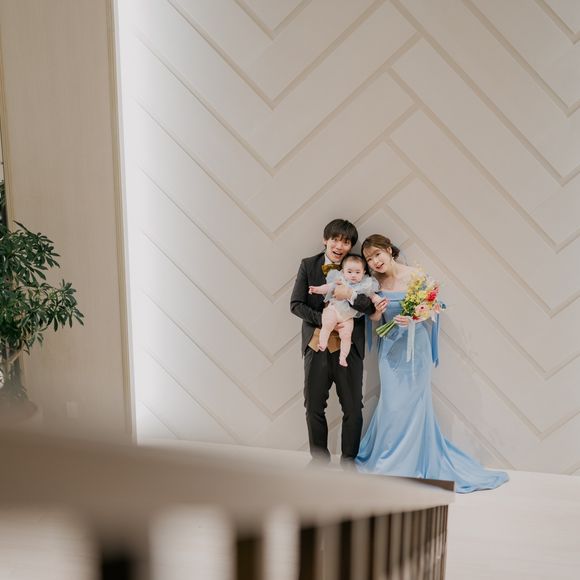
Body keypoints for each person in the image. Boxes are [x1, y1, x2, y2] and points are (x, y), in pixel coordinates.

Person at [354, 234, 508, 493]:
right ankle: (389, 460)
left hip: (417, 350)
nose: (374, 262)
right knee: (392, 405)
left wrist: (413, 318)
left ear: (389, 250)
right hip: (390, 349)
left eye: (377, 254)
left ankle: (411, 463)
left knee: (415, 406)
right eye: (369, 259)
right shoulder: (373, 283)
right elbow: (374, 320)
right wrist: (377, 310)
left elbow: (433, 310)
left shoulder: (416, 276)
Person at [290, 220, 386, 466]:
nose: (339, 246)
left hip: (349, 346)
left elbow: (369, 307)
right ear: (326, 240)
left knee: (353, 407)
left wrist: (350, 295)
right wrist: (324, 320)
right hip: (316, 344)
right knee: (313, 405)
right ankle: (319, 461)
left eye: (346, 242)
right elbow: (296, 304)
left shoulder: (359, 268)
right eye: (335, 239)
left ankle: (349, 461)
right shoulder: (308, 265)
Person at [308, 254, 381, 367]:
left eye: (357, 272)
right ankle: (322, 343)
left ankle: (343, 357)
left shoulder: (365, 285)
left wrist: (379, 300)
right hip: (333, 309)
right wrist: (316, 289)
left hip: (347, 317)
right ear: (343, 271)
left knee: (346, 335)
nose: (353, 275)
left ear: (363, 272)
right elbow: (327, 287)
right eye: (349, 272)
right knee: (327, 324)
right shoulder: (340, 280)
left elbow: (373, 296)